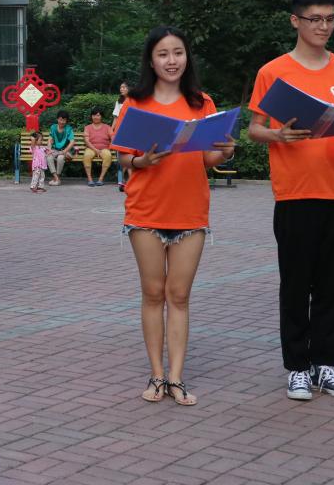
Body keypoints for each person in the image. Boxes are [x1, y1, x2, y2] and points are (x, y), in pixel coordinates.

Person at [247, 0, 334, 402]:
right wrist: (277, 135)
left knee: (332, 284)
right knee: (296, 283)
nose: (324, 26)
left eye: (330, 18)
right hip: (295, 193)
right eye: (315, 19)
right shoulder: (273, 72)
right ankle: (297, 368)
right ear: (295, 21)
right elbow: (254, 129)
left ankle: (325, 365)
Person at [112, 27, 236, 407]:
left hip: (190, 212)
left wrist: (226, 151)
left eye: (178, 53)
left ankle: (177, 378)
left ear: (186, 57)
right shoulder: (136, 102)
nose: (171, 60)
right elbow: (123, 157)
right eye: (163, 54)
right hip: (146, 211)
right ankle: (156, 375)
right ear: (151, 61)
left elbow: (208, 158)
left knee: (179, 296)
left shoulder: (202, 103)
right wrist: (143, 161)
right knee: (153, 293)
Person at [83, 108, 114, 186]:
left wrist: (110, 146)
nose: (95, 117)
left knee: (108, 155)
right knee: (87, 155)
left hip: (104, 148)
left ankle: (100, 179)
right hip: (91, 148)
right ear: (91, 116)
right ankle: (90, 179)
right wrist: (95, 150)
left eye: (98, 115)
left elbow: (113, 138)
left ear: (101, 116)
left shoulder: (107, 127)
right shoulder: (87, 127)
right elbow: (87, 141)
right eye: (94, 115)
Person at [47, 111, 75, 186]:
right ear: (57, 119)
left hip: (65, 150)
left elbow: (72, 142)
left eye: (64, 120)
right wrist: (49, 149)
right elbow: (50, 139)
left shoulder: (68, 128)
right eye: (60, 119)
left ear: (66, 120)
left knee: (60, 158)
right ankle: (56, 178)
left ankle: (56, 178)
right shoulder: (53, 127)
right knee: (49, 157)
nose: (62, 122)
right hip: (55, 149)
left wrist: (64, 151)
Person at [113, 82, 131, 191]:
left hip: (131, 131)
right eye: (121, 87)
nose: (121, 89)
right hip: (120, 131)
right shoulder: (119, 102)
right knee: (120, 156)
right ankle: (121, 181)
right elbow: (116, 118)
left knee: (130, 155)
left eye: (124, 87)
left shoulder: (134, 100)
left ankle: (131, 181)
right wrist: (112, 131)